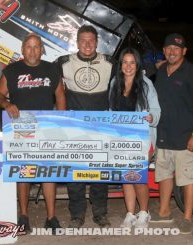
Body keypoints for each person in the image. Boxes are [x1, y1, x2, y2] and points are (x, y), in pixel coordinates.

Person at [0, 33, 66, 233]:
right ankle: (23, 215)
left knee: (48, 171)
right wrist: (6, 103)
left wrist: (60, 122)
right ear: (23, 48)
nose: (33, 50)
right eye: (29, 46)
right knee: (22, 172)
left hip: (46, 127)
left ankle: (51, 217)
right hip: (20, 128)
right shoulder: (11, 70)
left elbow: (60, 96)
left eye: (37, 46)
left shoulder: (51, 69)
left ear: (42, 49)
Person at [55, 25, 115, 228]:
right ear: (77, 42)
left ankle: (100, 212)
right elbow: (48, 86)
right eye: (83, 40)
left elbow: (129, 79)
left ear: (97, 42)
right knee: (76, 172)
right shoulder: (63, 62)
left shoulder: (110, 63)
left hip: (101, 127)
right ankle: (77, 214)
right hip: (74, 127)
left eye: (91, 40)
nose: (87, 44)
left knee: (100, 172)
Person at [151, 33, 193, 234]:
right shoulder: (160, 71)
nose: (172, 51)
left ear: (184, 51)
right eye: (168, 48)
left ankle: (187, 217)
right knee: (164, 175)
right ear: (164, 51)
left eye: (176, 48)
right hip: (163, 135)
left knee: (188, 178)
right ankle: (164, 210)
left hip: (186, 138)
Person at [109, 47, 161, 228]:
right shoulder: (115, 82)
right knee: (126, 177)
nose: (128, 66)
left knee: (137, 176)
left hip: (142, 139)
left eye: (132, 63)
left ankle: (144, 213)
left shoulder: (146, 84)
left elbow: (156, 111)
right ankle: (130, 214)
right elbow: (111, 110)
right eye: (125, 62)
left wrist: (151, 117)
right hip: (122, 139)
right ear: (120, 64)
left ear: (137, 65)